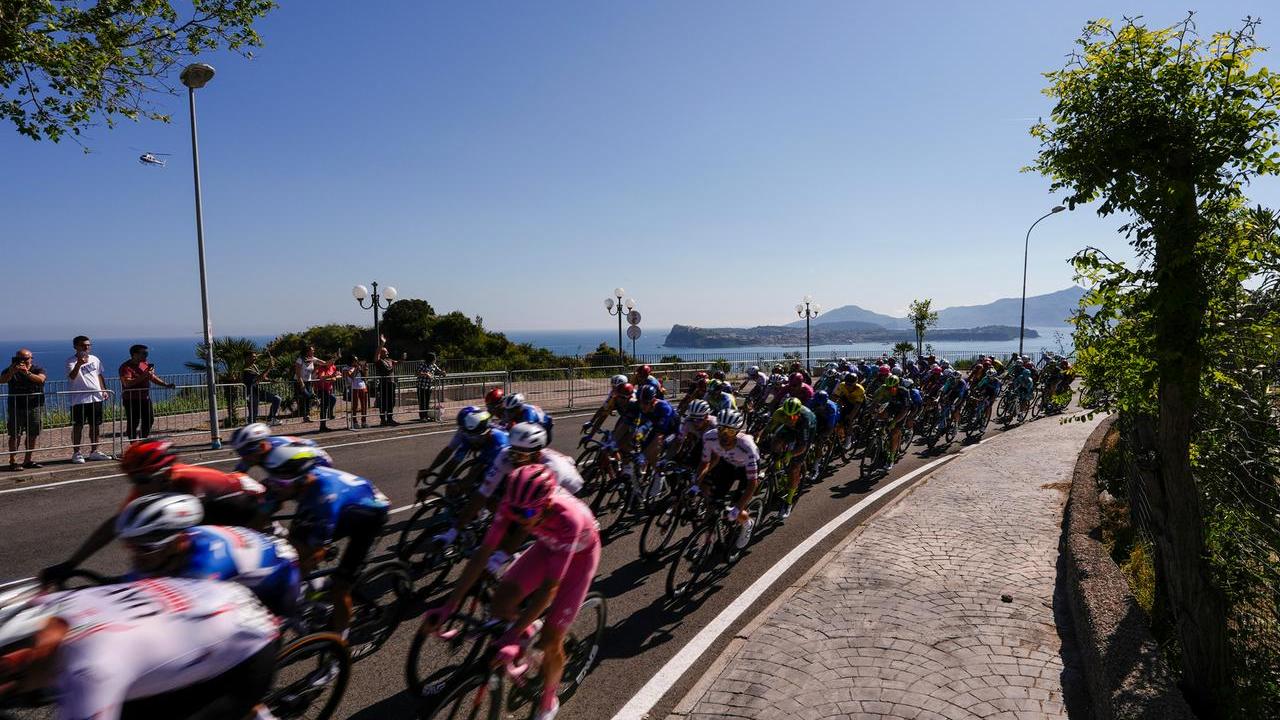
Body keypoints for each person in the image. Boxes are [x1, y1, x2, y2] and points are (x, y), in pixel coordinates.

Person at [419, 463, 600, 720]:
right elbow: (482, 554)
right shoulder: (513, 504)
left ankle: (549, 702)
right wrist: (450, 606)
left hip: (580, 556)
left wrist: (512, 635)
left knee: (550, 640)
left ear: (547, 504)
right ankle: (528, 628)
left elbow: (549, 588)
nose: (519, 517)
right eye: (514, 510)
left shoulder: (568, 519)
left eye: (527, 512)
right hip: (547, 546)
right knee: (500, 601)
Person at [0, 576, 280, 720]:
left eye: (6, 673)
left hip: (249, 651)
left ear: (36, 649)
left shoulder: (91, 669)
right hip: (216, 601)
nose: (7, 686)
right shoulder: (52, 604)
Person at [39, 440, 271, 586]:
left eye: (141, 480)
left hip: (245, 504)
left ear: (166, 474)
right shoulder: (147, 486)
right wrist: (70, 563)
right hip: (214, 510)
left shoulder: (192, 483)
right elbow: (117, 525)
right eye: (131, 479)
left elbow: (195, 537)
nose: (136, 487)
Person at [261, 447, 390, 633]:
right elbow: (261, 515)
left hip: (369, 517)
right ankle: (317, 586)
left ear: (302, 480)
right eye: (272, 480)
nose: (275, 487)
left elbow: (314, 551)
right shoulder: (289, 481)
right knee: (293, 546)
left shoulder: (326, 497)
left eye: (280, 483)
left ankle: (339, 642)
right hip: (340, 505)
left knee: (339, 588)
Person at [116, 492, 301, 618]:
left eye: (145, 547)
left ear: (179, 541)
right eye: (130, 545)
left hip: (278, 574)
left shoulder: (206, 565)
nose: (134, 554)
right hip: (245, 561)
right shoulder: (174, 548)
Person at [693, 408, 759, 549]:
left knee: (737, 508)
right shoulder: (710, 437)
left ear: (737, 432)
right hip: (728, 464)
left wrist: (738, 507)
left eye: (729, 432)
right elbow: (705, 462)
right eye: (721, 429)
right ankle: (707, 542)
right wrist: (695, 483)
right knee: (713, 503)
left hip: (745, 470)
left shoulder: (747, 447)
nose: (724, 435)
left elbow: (752, 483)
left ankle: (747, 524)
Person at [416, 407, 509, 494]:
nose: (463, 434)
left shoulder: (499, 441)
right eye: (463, 430)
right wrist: (430, 486)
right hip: (485, 446)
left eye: (469, 434)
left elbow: (482, 473)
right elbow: (452, 460)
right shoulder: (469, 434)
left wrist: (460, 486)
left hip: (501, 457)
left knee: (484, 489)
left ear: (482, 432)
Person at [66, 335, 111, 463]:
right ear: (75, 346)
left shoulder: (95, 359)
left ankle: (94, 451)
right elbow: (72, 376)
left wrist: (103, 389)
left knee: (95, 425)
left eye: (88, 345)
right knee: (78, 426)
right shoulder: (70, 361)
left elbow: (99, 375)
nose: (86, 347)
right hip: (79, 399)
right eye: (83, 345)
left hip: (95, 397)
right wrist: (79, 364)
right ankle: (76, 452)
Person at [119, 344, 175, 440]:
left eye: (147, 353)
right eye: (144, 353)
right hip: (131, 399)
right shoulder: (126, 367)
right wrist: (144, 375)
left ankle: (142, 440)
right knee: (133, 422)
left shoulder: (144, 364)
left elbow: (152, 378)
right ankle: (133, 443)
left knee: (149, 420)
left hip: (145, 397)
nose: (146, 355)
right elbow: (127, 383)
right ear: (135, 354)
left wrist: (165, 384)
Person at [228, 422, 331, 474]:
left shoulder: (278, 453)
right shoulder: (253, 454)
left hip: (316, 460)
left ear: (262, 447)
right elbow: (237, 475)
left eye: (246, 453)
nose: (243, 458)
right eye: (241, 453)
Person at [2, 349, 45, 471]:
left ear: (31, 358)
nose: (22, 361)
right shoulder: (10, 370)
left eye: (25, 359)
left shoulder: (37, 369)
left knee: (32, 434)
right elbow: (2, 380)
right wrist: (12, 372)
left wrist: (27, 373)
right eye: (19, 359)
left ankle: (28, 460)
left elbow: (41, 379)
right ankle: (13, 461)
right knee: (15, 434)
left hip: (34, 406)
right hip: (16, 407)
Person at [242, 351, 282, 426]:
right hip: (250, 393)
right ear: (247, 358)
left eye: (255, 356)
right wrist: (269, 367)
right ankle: (251, 426)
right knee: (253, 413)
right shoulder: (246, 370)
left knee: (277, 399)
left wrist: (271, 380)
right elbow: (258, 378)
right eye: (253, 357)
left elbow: (261, 377)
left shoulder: (254, 366)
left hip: (258, 391)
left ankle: (271, 419)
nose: (255, 358)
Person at [312, 356, 340, 432]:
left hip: (328, 389)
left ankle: (328, 416)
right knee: (325, 406)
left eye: (333, 361)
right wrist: (331, 377)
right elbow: (322, 377)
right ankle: (322, 426)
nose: (332, 362)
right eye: (331, 361)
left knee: (332, 400)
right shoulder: (322, 368)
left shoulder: (333, 367)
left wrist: (333, 377)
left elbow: (336, 376)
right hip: (321, 389)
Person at [373, 346, 398, 426]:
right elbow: (376, 355)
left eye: (387, 351)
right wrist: (381, 344)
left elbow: (397, 362)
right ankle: (383, 420)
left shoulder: (389, 360)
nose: (387, 353)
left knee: (391, 402)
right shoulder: (379, 361)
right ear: (381, 353)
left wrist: (402, 359)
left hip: (391, 383)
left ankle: (390, 419)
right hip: (383, 384)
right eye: (385, 352)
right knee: (383, 403)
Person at [417, 352, 445, 422]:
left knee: (427, 402)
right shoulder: (423, 364)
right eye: (434, 359)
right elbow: (417, 373)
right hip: (421, 387)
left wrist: (443, 372)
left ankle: (426, 416)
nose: (435, 360)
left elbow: (439, 371)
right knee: (422, 402)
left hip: (429, 387)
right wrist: (426, 374)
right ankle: (422, 417)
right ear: (431, 359)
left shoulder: (433, 365)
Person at [345, 355, 370, 428]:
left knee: (364, 405)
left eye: (357, 360)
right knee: (355, 405)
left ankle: (364, 421)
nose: (357, 362)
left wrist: (365, 369)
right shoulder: (346, 368)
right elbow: (352, 377)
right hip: (354, 387)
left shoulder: (359, 367)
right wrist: (356, 369)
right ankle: (355, 422)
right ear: (351, 361)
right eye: (355, 360)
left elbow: (365, 377)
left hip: (363, 386)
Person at [294, 345, 317, 423]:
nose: (313, 351)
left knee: (308, 398)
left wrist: (335, 358)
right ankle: (304, 414)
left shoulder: (313, 359)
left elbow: (325, 363)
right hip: (300, 382)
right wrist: (302, 385)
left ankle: (306, 415)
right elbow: (298, 374)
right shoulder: (300, 360)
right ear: (307, 352)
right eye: (312, 350)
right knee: (306, 396)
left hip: (308, 382)